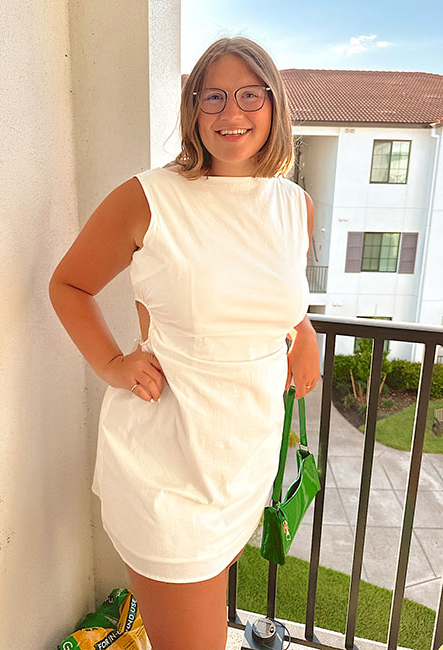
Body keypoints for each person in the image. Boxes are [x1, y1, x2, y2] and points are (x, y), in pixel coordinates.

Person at [49, 35, 319, 650]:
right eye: (212, 97)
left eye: (249, 95)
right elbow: (69, 285)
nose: (231, 112)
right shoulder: (149, 198)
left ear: (274, 104)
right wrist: (112, 363)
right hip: (167, 469)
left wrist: (301, 327)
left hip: (243, 459)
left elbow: (263, 291)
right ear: (193, 108)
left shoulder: (295, 206)